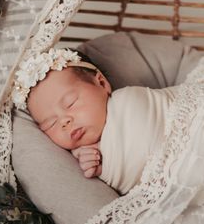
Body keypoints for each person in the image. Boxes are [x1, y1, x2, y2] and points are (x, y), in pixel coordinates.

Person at [12, 47, 178, 195]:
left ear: (101, 83)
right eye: (51, 123)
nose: (64, 121)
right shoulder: (80, 159)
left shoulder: (128, 100)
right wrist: (101, 168)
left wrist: (106, 148)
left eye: (70, 103)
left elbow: (150, 132)